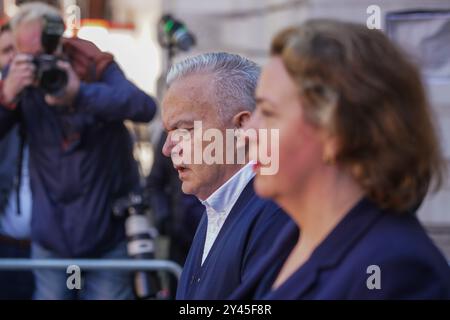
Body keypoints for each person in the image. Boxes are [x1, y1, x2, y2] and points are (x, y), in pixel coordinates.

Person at [235, 19, 450, 299]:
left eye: (269, 112)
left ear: (337, 131)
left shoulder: (398, 272)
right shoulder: (292, 236)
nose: (247, 133)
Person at [0, 2, 157, 299]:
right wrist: (7, 94)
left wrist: (81, 94)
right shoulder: (18, 77)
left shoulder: (91, 64)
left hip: (107, 238)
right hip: (51, 240)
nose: (42, 65)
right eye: (30, 56)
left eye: (46, 52)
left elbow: (144, 107)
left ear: (60, 40)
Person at [161, 52, 295, 300]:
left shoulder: (276, 213)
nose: (167, 148)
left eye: (184, 129)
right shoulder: (218, 203)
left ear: (243, 125)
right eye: (169, 132)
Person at [0, 22, 34, 300]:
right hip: (6, 245)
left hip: (55, 248)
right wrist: (7, 97)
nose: (15, 59)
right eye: (7, 51)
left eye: (21, 50)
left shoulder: (56, 95)